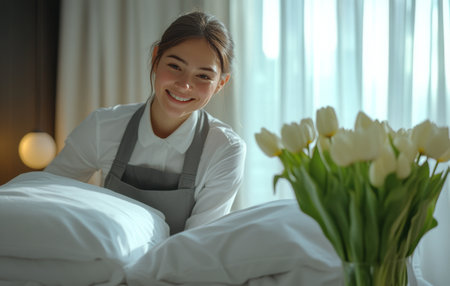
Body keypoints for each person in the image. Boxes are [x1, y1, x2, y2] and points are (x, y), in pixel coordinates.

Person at [45, 11, 246, 235]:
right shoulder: (103, 126)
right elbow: (47, 193)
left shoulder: (225, 149)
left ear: (221, 83)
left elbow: (200, 241)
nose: (184, 85)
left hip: (178, 267)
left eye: (203, 76)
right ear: (155, 57)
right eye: (175, 66)